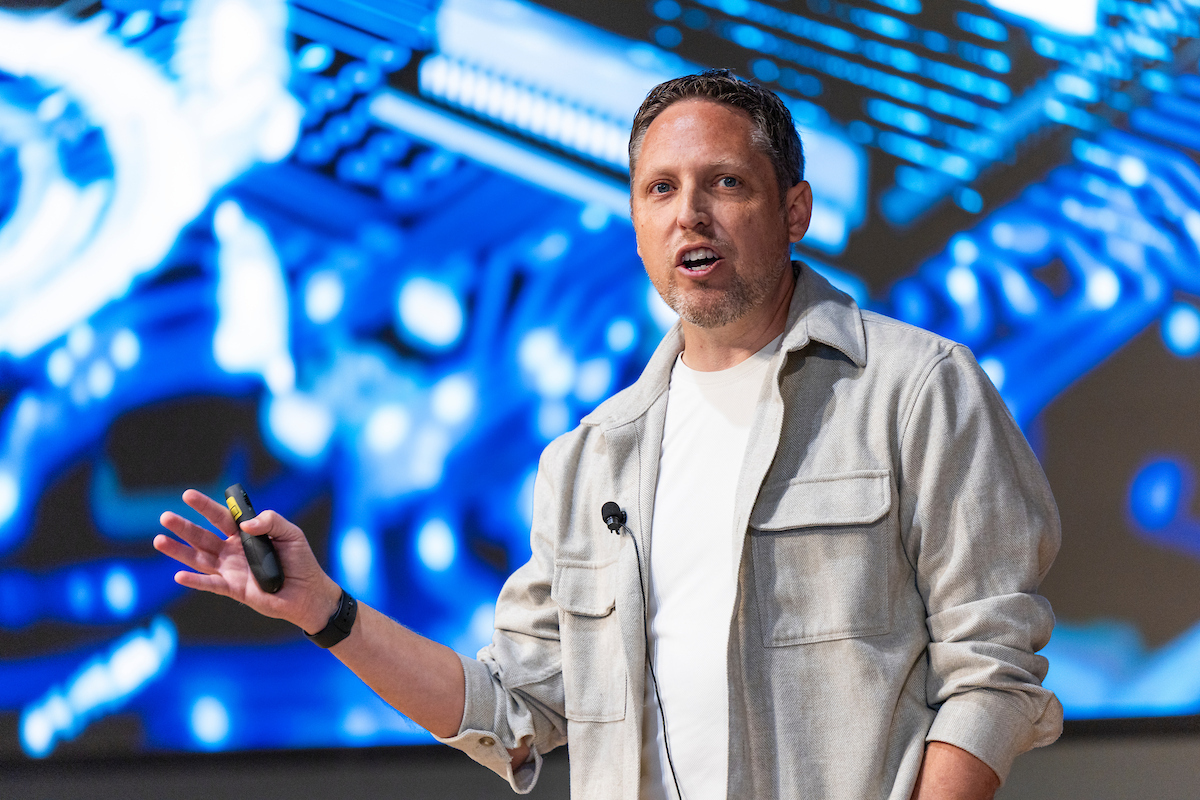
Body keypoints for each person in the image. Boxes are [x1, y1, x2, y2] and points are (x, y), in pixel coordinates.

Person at [155, 70, 1062, 799]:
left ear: (794, 211)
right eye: (660, 189)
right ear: (636, 226)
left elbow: (992, 669)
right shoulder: (592, 458)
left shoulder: (916, 388)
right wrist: (325, 610)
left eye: (725, 184)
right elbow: (508, 706)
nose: (688, 215)